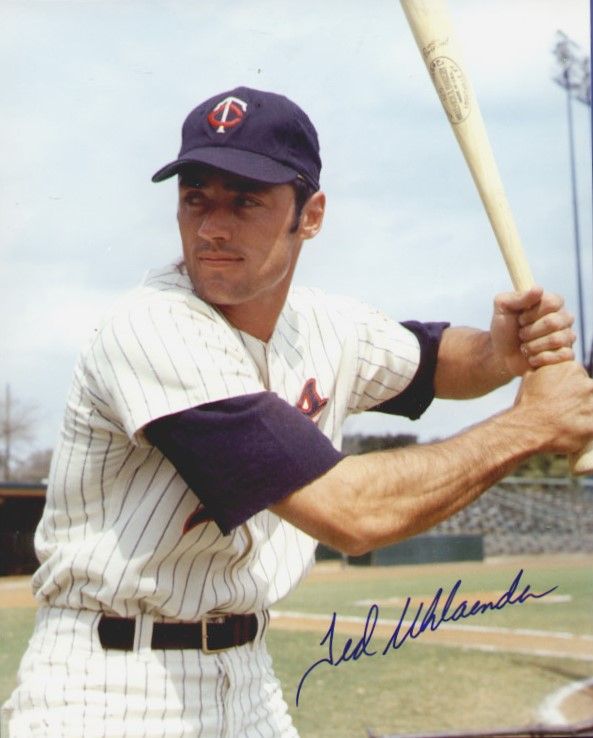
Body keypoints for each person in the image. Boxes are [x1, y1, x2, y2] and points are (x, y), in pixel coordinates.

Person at [2, 86, 592, 738]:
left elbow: (429, 357)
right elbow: (351, 515)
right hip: (109, 686)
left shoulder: (320, 325)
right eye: (195, 197)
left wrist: (500, 350)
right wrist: (531, 424)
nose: (211, 228)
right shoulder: (151, 328)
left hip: (245, 676)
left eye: (245, 201)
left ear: (309, 215)